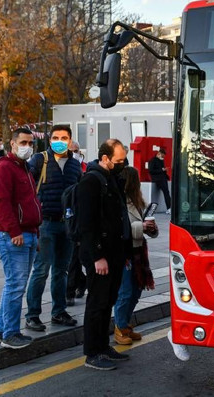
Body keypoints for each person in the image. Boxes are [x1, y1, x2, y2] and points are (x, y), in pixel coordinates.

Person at [77, 139, 132, 370]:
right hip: (100, 256)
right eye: (118, 160)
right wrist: (97, 256)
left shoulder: (112, 178)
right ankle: (92, 352)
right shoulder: (91, 181)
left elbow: (119, 216)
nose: (122, 164)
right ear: (105, 158)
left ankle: (103, 346)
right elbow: (86, 224)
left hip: (115, 252)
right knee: (97, 303)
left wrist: (125, 251)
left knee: (108, 300)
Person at [24, 125, 82, 332]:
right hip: (45, 224)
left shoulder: (75, 165)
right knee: (41, 270)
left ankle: (59, 311)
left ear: (70, 140)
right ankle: (32, 315)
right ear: (49, 140)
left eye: (64, 137)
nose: (60, 140)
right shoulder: (40, 160)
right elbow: (26, 187)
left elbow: (79, 194)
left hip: (66, 225)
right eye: (56, 137)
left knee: (61, 270)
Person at [0, 128, 42, 349]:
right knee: (15, 285)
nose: (27, 147)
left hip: (28, 233)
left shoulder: (24, 169)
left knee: (15, 284)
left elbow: (30, 201)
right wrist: (14, 232)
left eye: (30, 143)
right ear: (12, 144)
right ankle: (10, 333)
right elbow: (1, 204)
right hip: (12, 235)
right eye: (23, 142)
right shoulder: (4, 168)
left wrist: (34, 233)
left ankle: (2, 330)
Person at [113, 166, 157, 345]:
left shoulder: (138, 201)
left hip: (138, 250)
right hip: (124, 251)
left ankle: (125, 324)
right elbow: (118, 228)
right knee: (125, 291)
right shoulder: (118, 201)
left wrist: (152, 229)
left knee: (137, 290)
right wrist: (142, 227)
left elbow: (147, 228)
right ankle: (120, 327)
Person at [66, 141, 87, 305]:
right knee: (67, 260)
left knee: (74, 259)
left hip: (78, 219)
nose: (74, 153)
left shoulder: (85, 168)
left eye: (76, 150)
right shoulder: (63, 168)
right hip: (64, 217)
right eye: (71, 151)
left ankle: (70, 292)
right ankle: (81, 281)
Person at [148, 148, 171, 213]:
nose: (163, 157)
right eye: (162, 156)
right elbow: (151, 170)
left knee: (167, 192)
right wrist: (162, 170)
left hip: (163, 178)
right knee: (166, 192)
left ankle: (169, 207)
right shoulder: (152, 160)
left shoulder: (161, 161)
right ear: (159, 154)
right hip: (158, 179)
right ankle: (169, 208)